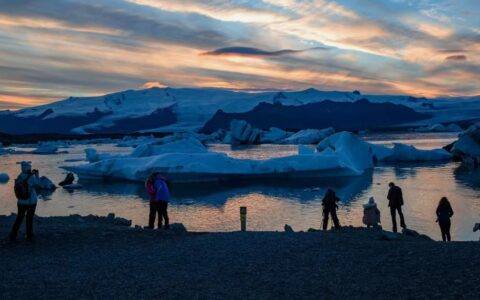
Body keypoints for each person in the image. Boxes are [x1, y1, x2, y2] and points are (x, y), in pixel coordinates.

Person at [9, 161, 41, 241]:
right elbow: (38, 184)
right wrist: (37, 175)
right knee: (29, 218)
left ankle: (13, 233)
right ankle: (29, 235)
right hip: (31, 202)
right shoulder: (32, 177)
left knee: (19, 217)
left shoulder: (19, 176)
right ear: (28, 168)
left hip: (21, 202)